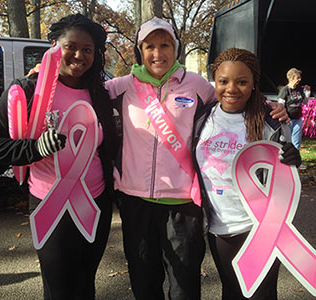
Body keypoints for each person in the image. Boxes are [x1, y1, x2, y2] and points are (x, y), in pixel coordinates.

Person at [105, 17, 288, 300]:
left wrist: (274, 109)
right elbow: (82, 91)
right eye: (149, 46)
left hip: (183, 205)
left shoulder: (198, 86)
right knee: (143, 282)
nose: (157, 53)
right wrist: (45, 75)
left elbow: (233, 98)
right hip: (136, 201)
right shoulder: (121, 87)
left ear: (176, 48)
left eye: (165, 45)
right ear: (138, 51)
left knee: (184, 287)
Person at [0, 14, 117, 300]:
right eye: (71, 46)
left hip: (95, 203)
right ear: (55, 46)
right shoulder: (28, 90)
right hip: (51, 204)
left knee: (85, 283)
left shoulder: (99, 93)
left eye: (88, 49)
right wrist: (33, 149)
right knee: (59, 289)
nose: (79, 55)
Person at [192, 48, 301, 300]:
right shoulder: (202, 118)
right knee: (231, 293)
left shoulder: (268, 119)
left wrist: (292, 158)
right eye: (223, 81)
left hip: (260, 228)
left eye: (242, 82)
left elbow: (284, 169)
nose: (231, 88)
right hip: (219, 228)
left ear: (253, 84)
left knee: (261, 296)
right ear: (214, 82)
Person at [278, 68, 310, 151]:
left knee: (296, 141)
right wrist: (284, 118)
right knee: (286, 141)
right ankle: (283, 160)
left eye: (300, 77)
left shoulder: (299, 89)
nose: (300, 79)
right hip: (287, 120)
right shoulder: (285, 90)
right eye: (297, 78)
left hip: (298, 119)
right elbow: (280, 106)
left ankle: (295, 162)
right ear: (291, 78)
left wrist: (307, 92)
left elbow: (305, 102)